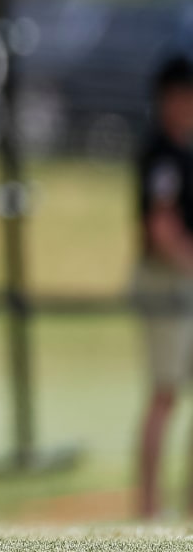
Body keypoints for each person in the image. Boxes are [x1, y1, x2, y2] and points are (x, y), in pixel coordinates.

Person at [135, 54, 193, 517]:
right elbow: (161, 228)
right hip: (167, 281)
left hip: (186, 278)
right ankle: (150, 507)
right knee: (165, 392)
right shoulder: (160, 153)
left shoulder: (184, 150)